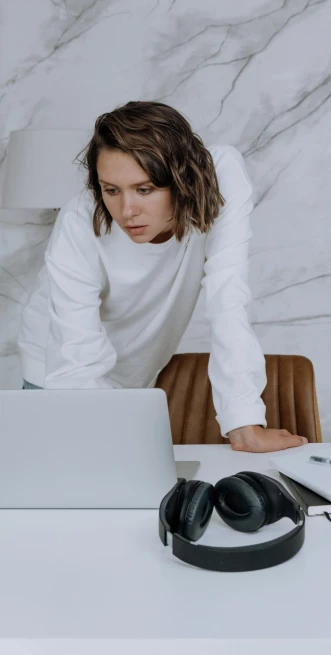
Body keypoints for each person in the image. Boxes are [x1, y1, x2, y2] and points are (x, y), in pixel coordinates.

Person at [16, 101, 308, 453]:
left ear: (182, 180)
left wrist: (243, 421)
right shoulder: (79, 223)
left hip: (138, 371)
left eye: (145, 189)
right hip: (57, 369)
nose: (127, 211)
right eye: (111, 190)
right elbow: (75, 358)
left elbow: (227, 298)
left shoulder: (222, 178)